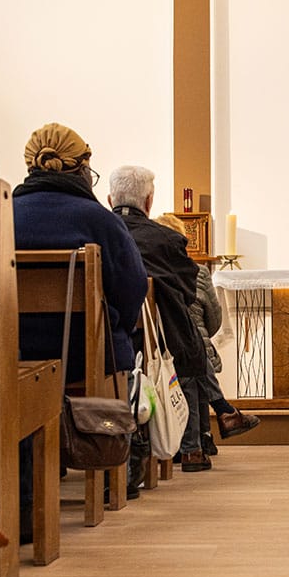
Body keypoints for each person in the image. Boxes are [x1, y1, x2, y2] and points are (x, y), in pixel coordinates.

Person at [13, 126, 147, 526]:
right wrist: (114, 327)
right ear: (83, 168)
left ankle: (20, 497)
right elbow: (131, 287)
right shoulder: (98, 219)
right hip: (83, 356)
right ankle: (108, 482)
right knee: (122, 341)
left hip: (15, 351)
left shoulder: (3, 215)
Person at [108, 166, 212, 472]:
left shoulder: (97, 231)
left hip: (89, 342)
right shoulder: (166, 239)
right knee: (190, 350)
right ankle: (190, 447)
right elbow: (188, 292)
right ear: (149, 201)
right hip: (153, 344)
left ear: (110, 197)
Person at [155, 213, 260, 456]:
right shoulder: (197, 271)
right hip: (189, 349)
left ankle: (197, 443)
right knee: (194, 361)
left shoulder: (149, 268)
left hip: (159, 346)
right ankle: (204, 436)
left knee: (192, 363)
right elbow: (214, 318)